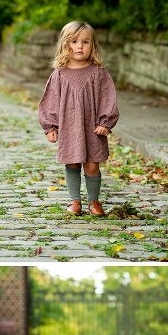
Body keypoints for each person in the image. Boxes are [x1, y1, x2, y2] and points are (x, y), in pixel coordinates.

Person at [38, 21, 119, 217]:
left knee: (92, 164)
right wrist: (50, 126)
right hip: (69, 127)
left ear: (93, 45)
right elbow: (50, 101)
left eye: (85, 42)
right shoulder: (59, 75)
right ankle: (75, 201)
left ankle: (94, 201)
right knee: (72, 162)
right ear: (65, 44)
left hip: (93, 128)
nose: (80, 46)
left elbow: (108, 98)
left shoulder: (98, 73)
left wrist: (105, 123)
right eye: (74, 42)